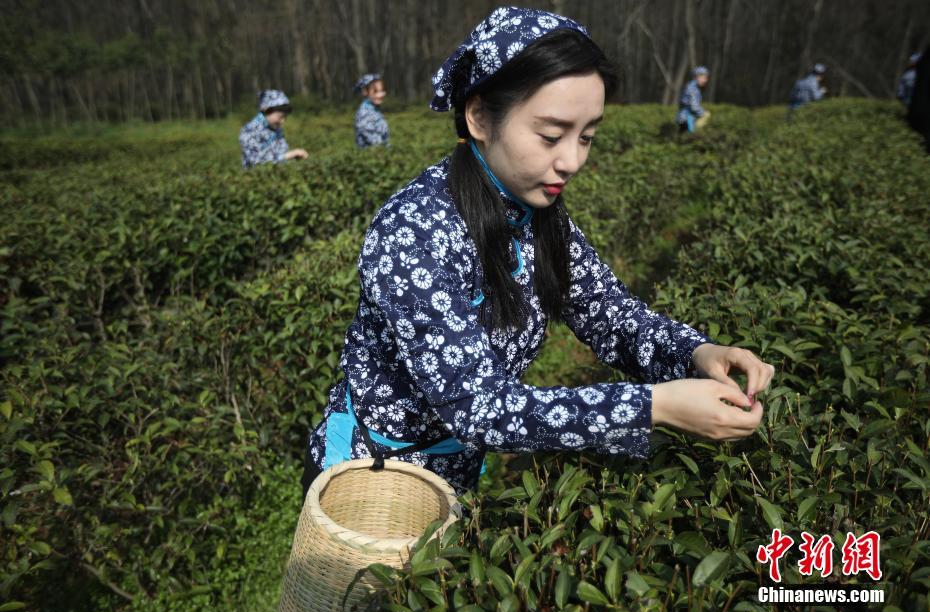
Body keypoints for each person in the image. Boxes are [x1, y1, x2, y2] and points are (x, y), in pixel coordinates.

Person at [301, 6, 774, 496]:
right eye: (551, 136)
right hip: (371, 480)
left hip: (453, 473)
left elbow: (606, 312)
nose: (571, 161)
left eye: (587, 136)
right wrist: (653, 406)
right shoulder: (414, 233)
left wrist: (697, 353)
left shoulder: (537, 212)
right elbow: (478, 407)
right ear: (480, 116)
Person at [238, 90, 308, 169]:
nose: (283, 121)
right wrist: (288, 156)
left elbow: (282, 151)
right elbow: (255, 162)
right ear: (266, 110)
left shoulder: (275, 128)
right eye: (280, 117)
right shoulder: (249, 131)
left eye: (285, 117)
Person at [354, 73, 390, 148]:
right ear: (365, 92)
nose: (380, 95)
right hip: (370, 156)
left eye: (382, 90)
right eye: (376, 92)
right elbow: (372, 139)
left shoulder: (375, 110)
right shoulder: (364, 113)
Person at [677, 66, 711, 133]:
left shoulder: (691, 87)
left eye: (706, 78)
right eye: (703, 78)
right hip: (687, 119)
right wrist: (703, 113)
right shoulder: (693, 89)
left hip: (683, 118)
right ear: (697, 77)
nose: (705, 81)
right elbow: (694, 107)